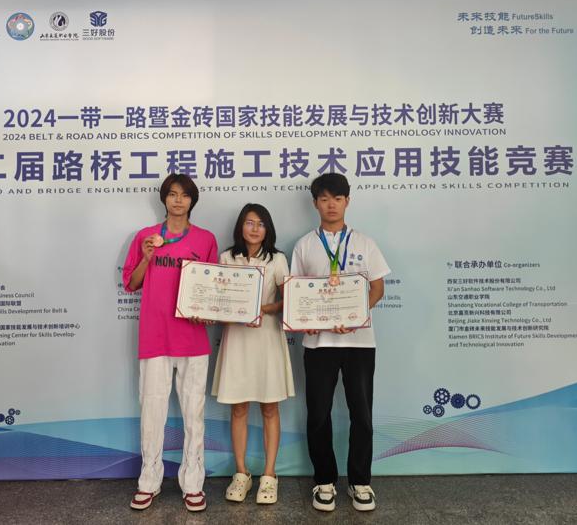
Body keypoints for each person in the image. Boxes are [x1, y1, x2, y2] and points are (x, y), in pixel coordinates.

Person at [290, 173, 391, 512]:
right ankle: (324, 481)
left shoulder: (365, 243)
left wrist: (357, 314)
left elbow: (378, 288)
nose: (330, 205)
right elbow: (297, 292)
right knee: (318, 414)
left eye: (337, 198)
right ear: (315, 203)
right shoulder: (305, 245)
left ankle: (360, 482)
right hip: (318, 344)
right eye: (324, 199)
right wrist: (304, 320)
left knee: (361, 413)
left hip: (359, 342)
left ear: (347, 201)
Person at [122, 173, 218, 512]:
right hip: (155, 337)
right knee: (152, 412)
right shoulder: (145, 237)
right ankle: (148, 481)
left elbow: (213, 287)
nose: (178, 200)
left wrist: (207, 311)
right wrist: (147, 257)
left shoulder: (205, 239)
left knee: (194, 414)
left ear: (192, 201)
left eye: (184, 195)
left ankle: (193, 484)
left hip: (192, 339)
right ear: (164, 199)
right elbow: (131, 284)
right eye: (172, 194)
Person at [211, 203, 295, 504]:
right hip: (237, 340)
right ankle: (241, 473)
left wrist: (263, 309)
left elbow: (290, 300)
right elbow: (217, 298)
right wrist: (226, 312)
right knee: (239, 408)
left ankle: (269, 475)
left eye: (261, 223)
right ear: (241, 227)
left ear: (267, 228)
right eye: (249, 222)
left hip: (266, 339)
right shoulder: (227, 258)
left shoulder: (277, 259)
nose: (255, 228)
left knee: (270, 408)